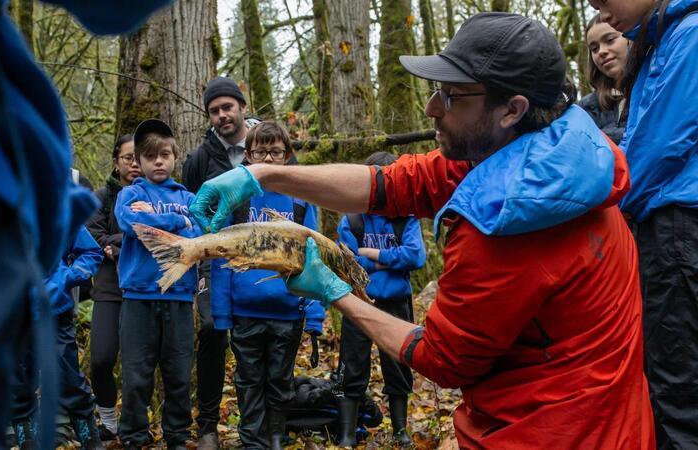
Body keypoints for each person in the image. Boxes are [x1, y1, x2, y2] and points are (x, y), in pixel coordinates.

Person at [189, 13, 656, 449]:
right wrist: (264, 176)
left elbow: (442, 358)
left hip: (550, 432)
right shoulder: (547, 152)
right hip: (610, 417)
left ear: (512, 108)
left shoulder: (505, 224)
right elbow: (391, 183)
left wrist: (336, 292)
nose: (432, 107)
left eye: (451, 96)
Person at [0, 2, 173, 448]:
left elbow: (83, 248)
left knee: (65, 382)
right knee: (0, 398)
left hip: (43, 301)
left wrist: (61, 279)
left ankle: (90, 440)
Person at [587, 1, 698, 447]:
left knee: (679, 390)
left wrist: (606, 206)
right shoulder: (660, 43)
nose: (599, 7)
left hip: (678, 226)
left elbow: (659, 146)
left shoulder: (688, 36)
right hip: (665, 226)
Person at [209, 121, 325, 450]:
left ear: (287, 155)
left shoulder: (301, 201)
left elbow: (314, 258)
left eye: (276, 151)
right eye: (261, 152)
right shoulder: (237, 200)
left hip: (289, 310)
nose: (269, 159)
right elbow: (221, 256)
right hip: (244, 309)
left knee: (280, 379)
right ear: (248, 156)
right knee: (248, 380)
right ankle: (252, 440)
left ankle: (275, 437)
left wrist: (315, 313)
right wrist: (221, 311)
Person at [181, 76, 260, 449]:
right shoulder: (199, 158)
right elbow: (190, 209)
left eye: (228, 107)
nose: (222, 116)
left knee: (254, 336)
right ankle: (209, 425)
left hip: (260, 257)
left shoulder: (265, 147)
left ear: (242, 107)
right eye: (214, 111)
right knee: (211, 331)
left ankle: (255, 424)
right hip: (214, 262)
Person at [115, 119, 202, 450]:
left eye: (165, 155)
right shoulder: (130, 193)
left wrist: (163, 219)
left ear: (175, 156)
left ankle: (177, 435)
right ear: (139, 160)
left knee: (178, 373)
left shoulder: (190, 198)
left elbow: (199, 235)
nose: (159, 162)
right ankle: (134, 436)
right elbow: (130, 221)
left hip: (179, 296)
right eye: (151, 156)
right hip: (139, 297)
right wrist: (177, 224)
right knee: (137, 375)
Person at [335, 151, 425, 447]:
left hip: (395, 302)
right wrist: (392, 261)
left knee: (398, 362)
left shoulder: (404, 219)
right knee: (352, 364)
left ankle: (400, 429)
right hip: (359, 300)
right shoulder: (353, 218)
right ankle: (347, 432)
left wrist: (372, 254)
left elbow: (416, 256)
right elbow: (347, 261)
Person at [10, 225, 105, 450]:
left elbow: (91, 252)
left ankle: (90, 439)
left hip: (55, 308)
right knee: (18, 379)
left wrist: (66, 278)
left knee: (68, 375)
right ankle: (27, 440)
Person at [86, 134, 140, 442]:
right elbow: (92, 235)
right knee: (101, 358)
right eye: (127, 158)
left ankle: (135, 424)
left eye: (137, 157)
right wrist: (121, 243)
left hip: (143, 291)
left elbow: (151, 234)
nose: (134, 163)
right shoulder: (101, 196)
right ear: (116, 162)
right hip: (108, 289)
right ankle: (108, 420)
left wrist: (115, 243)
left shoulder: (155, 195)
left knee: (138, 363)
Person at [577, 14, 629, 144]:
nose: (601, 51)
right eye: (594, 49)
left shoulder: (655, 88)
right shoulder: (586, 108)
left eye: (610, 40)